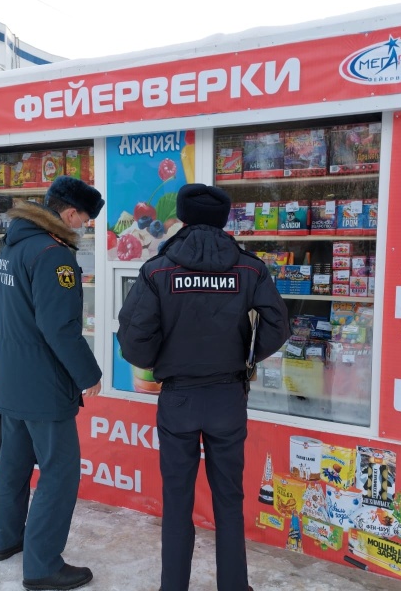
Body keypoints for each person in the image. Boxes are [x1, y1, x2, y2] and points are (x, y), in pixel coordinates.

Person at [117, 183, 290, 591]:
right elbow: (278, 325)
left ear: (182, 215)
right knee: (229, 500)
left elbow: (133, 339)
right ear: (224, 219)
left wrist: (158, 361)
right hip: (228, 397)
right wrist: (247, 359)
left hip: (178, 398)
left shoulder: (159, 268)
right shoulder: (249, 267)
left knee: (177, 502)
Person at [0, 175, 104, 591]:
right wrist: (88, 374)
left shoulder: (15, 247)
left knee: (15, 465)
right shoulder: (54, 257)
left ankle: (6, 540)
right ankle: (41, 567)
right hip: (43, 385)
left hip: (11, 378)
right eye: (86, 219)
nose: (85, 226)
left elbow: (1, 313)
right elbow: (60, 328)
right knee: (59, 474)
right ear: (69, 212)